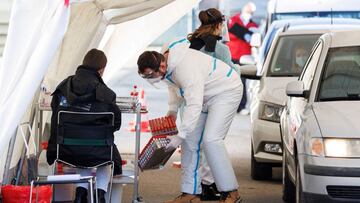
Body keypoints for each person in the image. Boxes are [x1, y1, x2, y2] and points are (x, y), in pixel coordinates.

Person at [137, 42, 243, 203]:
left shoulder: (185, 68)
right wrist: (172, 110)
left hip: (225, 91)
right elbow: (173, 87)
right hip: (203, 96)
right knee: (190, 142)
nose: (153, 79)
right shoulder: (165, 66)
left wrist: (181, 134)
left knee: (211, 140)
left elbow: (194, 104)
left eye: (152, 75)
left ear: (162, 65)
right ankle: (190, 193)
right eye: (148, 77)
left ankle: (231, 192)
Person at [47, 49, 122, 203]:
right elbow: (115, 124)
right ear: (101, 69)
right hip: (98, 151)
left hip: (66, 149)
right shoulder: (106, 93)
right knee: (102, 152)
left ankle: (80, 194)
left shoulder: (64, 88)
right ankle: (100, 195)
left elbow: (55, 118)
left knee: (82, 147)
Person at [185, 8, 242, 201]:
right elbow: (231, 74)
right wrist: (239, 69)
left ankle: (200, 186)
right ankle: (211, 184)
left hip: (196, 99)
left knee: (197, 144)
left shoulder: (191, 44)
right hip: (218, 98)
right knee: (213, 142)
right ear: (219, 25)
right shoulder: (221, 49)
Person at [227, 1, 258, 115]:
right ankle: (230, 106)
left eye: (251, 12)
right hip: (233, 55)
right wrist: (243, 35)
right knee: (231, 81)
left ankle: (241, 106)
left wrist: (245, 34)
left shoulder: (253, 25)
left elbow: (253, 40)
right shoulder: (233, 20)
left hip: (245, 57)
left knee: (242, 82)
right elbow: (229, 35)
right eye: (248, 10)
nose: (250, 13)